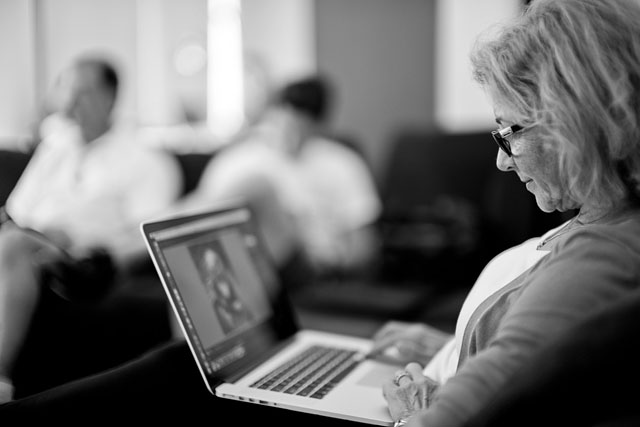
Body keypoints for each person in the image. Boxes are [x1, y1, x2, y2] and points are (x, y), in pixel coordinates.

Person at [2, 1, 640, 426]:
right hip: (417, 359)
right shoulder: (596, 223)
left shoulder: (606, 254)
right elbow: (521, 346)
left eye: (509, 134)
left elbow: (454, 414)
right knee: (192, 370)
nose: (502, 162)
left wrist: (423, 398)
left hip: (367, 348)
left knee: (183, 377)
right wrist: (447, 347)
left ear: (574, 124)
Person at [0, 53, 182, 402]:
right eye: (65, 89)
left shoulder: (144, 158)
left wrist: (77, 239)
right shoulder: (55, 146)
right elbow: (17, 210)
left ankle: (1, 377)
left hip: (84, 262)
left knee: (12, 246)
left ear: (110, 97)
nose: (69, 102)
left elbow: (145, 238)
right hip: (29, 242)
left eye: (81, 92)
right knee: (12, 241)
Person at [171, 75, 382, 284]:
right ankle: (166, 236)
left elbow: (362, 244)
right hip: (242, 258)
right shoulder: (241, 159)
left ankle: (168, 236)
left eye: (302, 122)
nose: (290, 129)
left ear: (319, 125)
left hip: (309, 262)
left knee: (258, 186)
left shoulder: (341, 163)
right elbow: (205, 206)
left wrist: (332, 256)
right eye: (283, 117)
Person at [196, 247, 253, 333]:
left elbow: (246, 302)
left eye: (217, 261)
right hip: (237, 327)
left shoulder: (229, 277)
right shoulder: (211, 289)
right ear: (208, 268)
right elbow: (226, 320)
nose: (216, 266)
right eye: (211, 264)